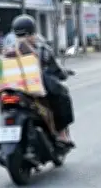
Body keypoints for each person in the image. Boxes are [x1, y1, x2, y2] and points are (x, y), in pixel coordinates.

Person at [9, 15, 75, 145]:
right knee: (62, 96)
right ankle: (61, 133)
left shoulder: (7, 49)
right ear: (33, 32)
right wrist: (63, 74)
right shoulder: (41, 49)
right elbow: (55, 68)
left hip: (14, 89)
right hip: (35, 90)